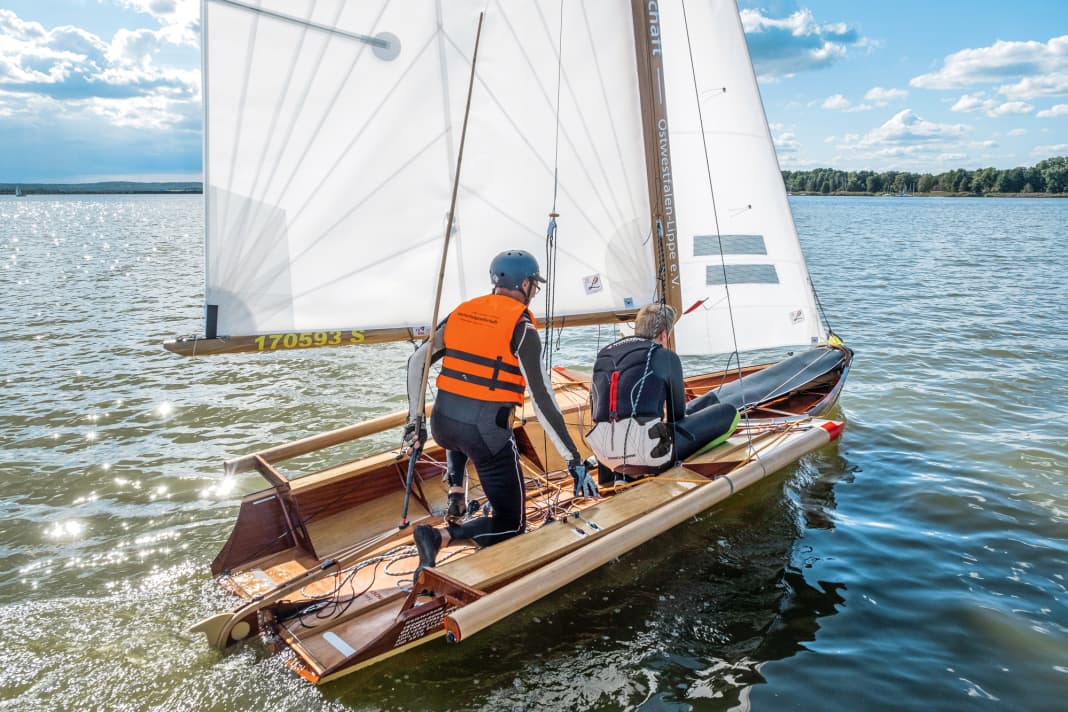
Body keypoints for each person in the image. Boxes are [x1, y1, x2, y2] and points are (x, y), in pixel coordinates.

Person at [402, 249, 597, 591]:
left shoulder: (461, 312)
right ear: (524, 284)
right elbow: (543, 399)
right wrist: (574, 460)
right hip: (483, 437)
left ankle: (456, 493)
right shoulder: (522, 328)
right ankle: (440, 537)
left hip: (443, 426)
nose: (535, 291)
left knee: (463, 417)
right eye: (534, 285)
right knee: (512, 523)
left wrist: (413, 421)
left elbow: (417, 362)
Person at [586, 302, 739, 479]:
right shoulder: (665, 356)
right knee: (729, 413)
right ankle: (642, 470)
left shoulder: (604, 355)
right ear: (664, 335)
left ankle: (619, 477)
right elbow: (677, 417)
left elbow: (597, 412)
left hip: (604, 456)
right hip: (648, 456)